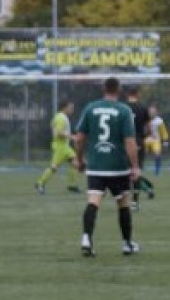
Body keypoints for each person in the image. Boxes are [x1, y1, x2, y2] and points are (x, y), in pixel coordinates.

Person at [74, 76, 141, 257]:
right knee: (123, 203)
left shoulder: (90, 108)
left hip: (96, 165)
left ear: (103, 89)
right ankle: (127, 243)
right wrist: (135, 166)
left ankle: (86, 238)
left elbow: (79, 138)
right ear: (119, 90)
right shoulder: (124, 110)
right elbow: (129, 141)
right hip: (117, 166)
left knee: (93, 201)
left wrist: (79, 159)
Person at [35, 99, 81, 194]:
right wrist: (72, 137)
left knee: (76, 163)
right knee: (54, 167)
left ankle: (72, 186)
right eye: (70, 107)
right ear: (65, 107)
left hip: (65, 147)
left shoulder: (60, 116)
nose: (72, 109)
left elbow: (54, 127)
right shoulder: (61, 118)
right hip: (61, 147)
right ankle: (40, 183)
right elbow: (58, 133)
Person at [124, 85, 154, 209]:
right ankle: (135, 202)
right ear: (138, 95)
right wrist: (142, 137)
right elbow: (149, 128)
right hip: (138, 141)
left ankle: (123, 199)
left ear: (128, 95)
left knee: (124, 171)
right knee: (136, 170)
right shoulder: (143, 108)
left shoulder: (123, 108)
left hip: (125, 141)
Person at [143, 103, 169, 176]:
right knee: (141, 154)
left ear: (156, 112)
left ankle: (157, 171)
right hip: (146, 139)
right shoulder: (144, 119)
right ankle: (139, 168)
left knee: (157, 155)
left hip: (155, 140)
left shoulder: (159, 121)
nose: (152, 113)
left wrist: (165, 140)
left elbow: (164, 131)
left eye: (153, 111)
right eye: (151, 111)